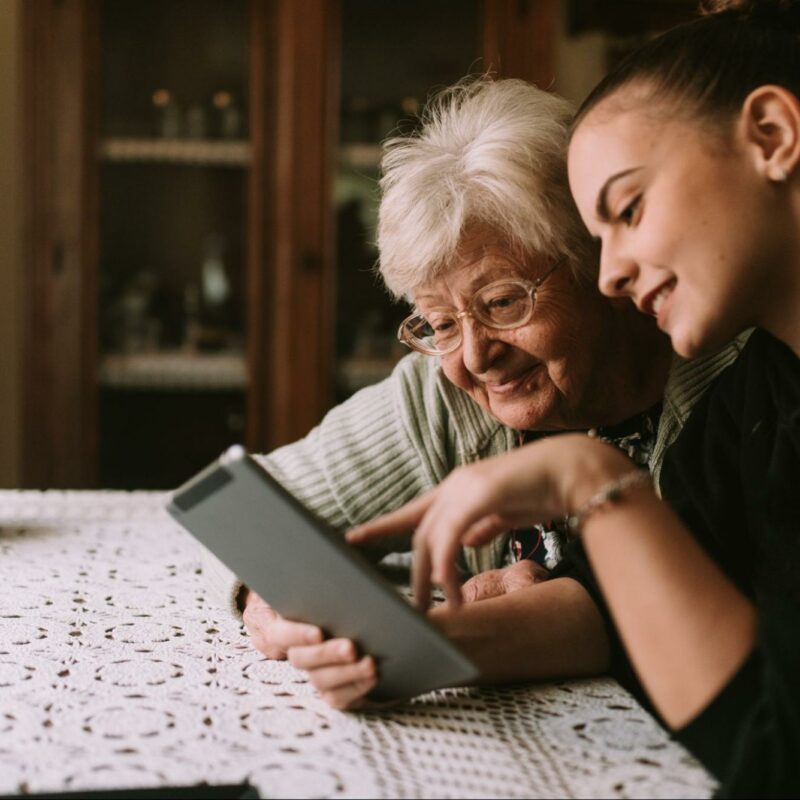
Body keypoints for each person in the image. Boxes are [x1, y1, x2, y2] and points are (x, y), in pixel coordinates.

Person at [350, 2, 800, 795]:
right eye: (438, 322)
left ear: (771, 135)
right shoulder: (764, 390)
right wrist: (403, 640)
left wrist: (590, 482)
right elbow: (662, 633)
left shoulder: (735, 383)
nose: (611, 275)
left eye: (627, 211)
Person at [206, 78, 742, 706]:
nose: (476, 355)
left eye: (503, 302)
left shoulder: (735, 386)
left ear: (597, 262)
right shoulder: (441, 399)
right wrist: (270, 599)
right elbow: (250, 511)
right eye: (439, 323)